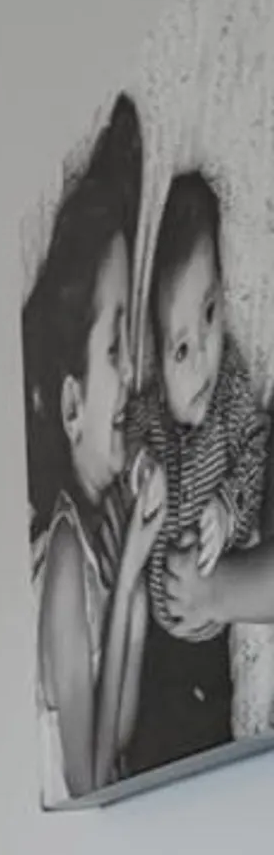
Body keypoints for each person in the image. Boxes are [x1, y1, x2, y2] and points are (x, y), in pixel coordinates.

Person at [26, 98, 167, 801]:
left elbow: (118, 746)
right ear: (73, 404)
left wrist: (133, 580)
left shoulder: (96, 544)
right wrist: (134, 565)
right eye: (117, 347)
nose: (137, 373)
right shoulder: (62, 558)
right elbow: (87, 779)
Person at [122, 168, 267, 774]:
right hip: (157, 629)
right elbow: (131, 439)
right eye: (182, 348)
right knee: (152, 729)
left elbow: (257, 448)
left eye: (211, 312)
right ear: (157, 356)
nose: (204, 352)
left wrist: (227, 512)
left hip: (207, 631)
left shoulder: (231, 392)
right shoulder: (154, 412)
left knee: (207, 729)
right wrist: (140, 470)